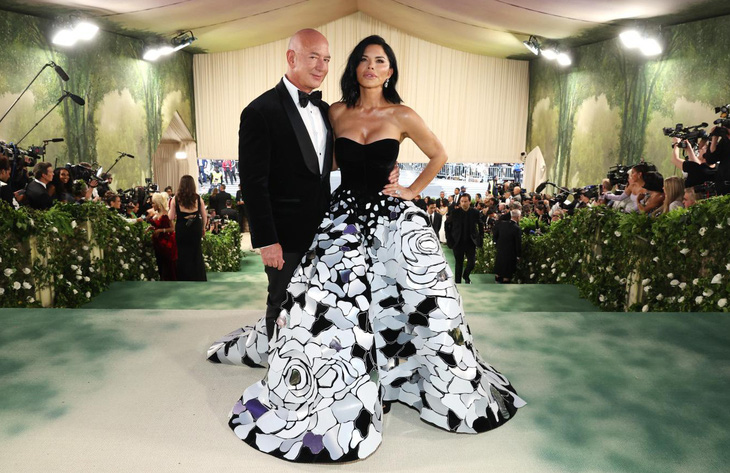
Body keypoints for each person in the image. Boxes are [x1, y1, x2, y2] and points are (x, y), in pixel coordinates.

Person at [209, 34, 523, 463]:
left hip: (395, 222)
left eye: (380, 61)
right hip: (343, 220)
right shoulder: (332, 111)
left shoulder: (402, 113)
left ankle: (404, 376)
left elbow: (439, 154)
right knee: (333, 303)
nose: (371, 67)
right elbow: (318, 163)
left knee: (417, 301)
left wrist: (410, 189)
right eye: (363, 60)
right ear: (354, 68)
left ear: (390, 69)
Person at [169, 175, 207, 281]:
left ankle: (184, 277)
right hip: (195, 228)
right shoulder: (198, 198)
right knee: (196, 252)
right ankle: (198, 277)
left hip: (182, 228)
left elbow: (171, 217)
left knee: (182, 253)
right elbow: (204, 215)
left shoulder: (175, 199)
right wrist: (203, 228)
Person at [447, 193, 484, 284]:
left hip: (471, 242)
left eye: (465, 201)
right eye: (462, 201)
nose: (463, 203)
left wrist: (480, 236)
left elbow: (480, 224)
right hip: (458, 242)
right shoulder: (455, 212)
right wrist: (449, 238)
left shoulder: (475, 212)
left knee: (472, 263)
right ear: (460, 202)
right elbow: (447, 224)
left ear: (469, 202)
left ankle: (466, 275)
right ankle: (458, 283)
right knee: (458, 264)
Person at [147, 192, 177, 281]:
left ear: (158, 204)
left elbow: (172, 228)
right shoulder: (156, 214)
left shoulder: (166, 214)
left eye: (153, 203)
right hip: (158, 242)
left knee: (167, 265)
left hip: (166, 243)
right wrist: (152, 228)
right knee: (160, 263)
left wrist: (161, 230)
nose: (152, 205)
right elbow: (158, 226)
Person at [493, 209, 522, 283]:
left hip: (500, 250)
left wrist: (497, 244)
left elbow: (495, 235)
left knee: (499, 271)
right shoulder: (517, 228)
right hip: (510, 253)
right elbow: (518, 243)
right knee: (507, 275)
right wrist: (518, 255)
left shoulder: (502, 224)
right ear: (518, 217)